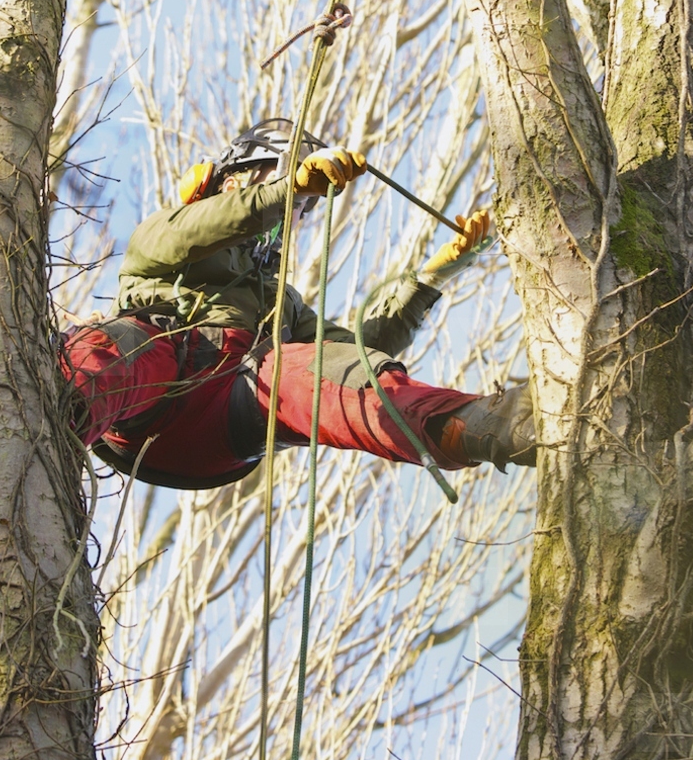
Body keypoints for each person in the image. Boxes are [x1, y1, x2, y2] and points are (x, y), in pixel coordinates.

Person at [61, 121, 536, 490]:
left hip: (224, 416)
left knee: (321, 375)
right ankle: (58, 414)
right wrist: (286, 192)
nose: (296, 217)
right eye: (290, 193)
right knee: (114, 346)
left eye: (305, 211)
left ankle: (480, 426)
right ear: (233, 180)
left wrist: (430, 278)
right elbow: (197, 231)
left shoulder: (278, 303)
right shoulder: (169, 229)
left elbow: (358, 354)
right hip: (156, 379)